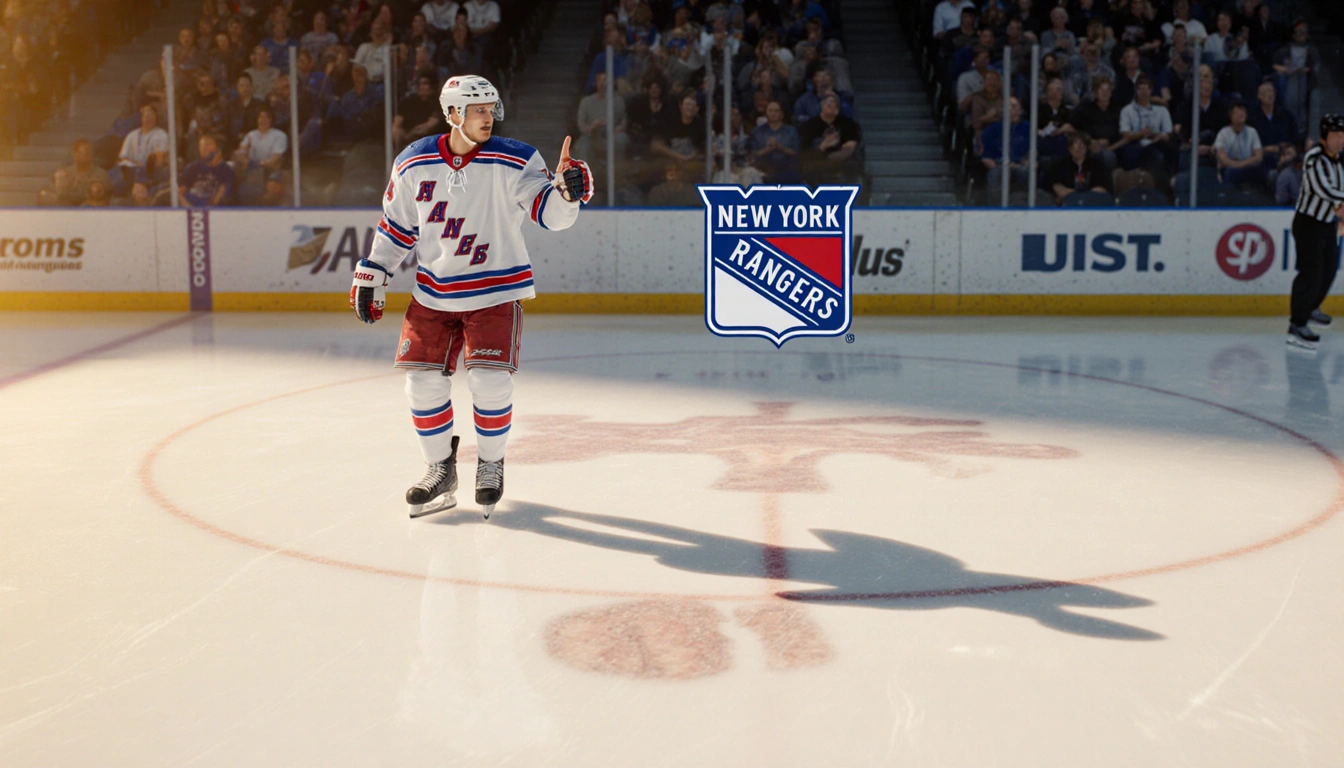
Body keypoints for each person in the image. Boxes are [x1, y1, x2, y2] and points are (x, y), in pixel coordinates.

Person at [349, 75, 592, 519]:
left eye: (490, 108)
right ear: (452, 114)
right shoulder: (413, 162)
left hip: (495, 291)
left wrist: (566, 192)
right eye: (477, 109)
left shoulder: (516, 159)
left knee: (489, 380)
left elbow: (551, 217)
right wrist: (375, 271)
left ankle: (491, 465)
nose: (488, 117)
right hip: (433, 293)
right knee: (420, 383)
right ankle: (439, 469)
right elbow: (397, 227)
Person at [1286, 114, 1344, 351]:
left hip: (1327, 224)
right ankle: (1296, 326)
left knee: (1329, 270)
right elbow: (1323, 189)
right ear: (1324, 137)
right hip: (1308, 223)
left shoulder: (1339, 161)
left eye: (1343, 135)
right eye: (1336, 136)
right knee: (1311, 274)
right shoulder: (1314, 159)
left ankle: (1310, 308)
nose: (1341, 140)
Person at [1117, 76, 1175, 175]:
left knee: (1167, 149)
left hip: (1156, 142)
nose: (1143, 92)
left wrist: (1158, 136)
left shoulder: (1161, 110)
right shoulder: (1127, 110)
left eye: (1146, 89)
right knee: (1130, 151)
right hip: (1134, 143)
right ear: (1136, 90)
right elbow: (1125, 133)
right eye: (1140, 89)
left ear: (1151, 90)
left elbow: (1168, 133)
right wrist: (1141, 134)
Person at [110, 105, 169, 196]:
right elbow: (123, 157)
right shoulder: (132, 135)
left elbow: (160, 160)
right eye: (145, 115)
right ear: (141, 118)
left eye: (151, 115)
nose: (148, 118)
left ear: (156, 118)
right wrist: (135, 163)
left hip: (150, 172)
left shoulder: (162, 135)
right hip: (131, 171)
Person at [980, 96, 1031, 199]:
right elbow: (985, 156)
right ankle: (996, 207)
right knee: (996, 174)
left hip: (1019, 165)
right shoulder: (992, 129)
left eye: (1014, 106)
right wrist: (996, 164)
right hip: (999, 165)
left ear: (1020, 110)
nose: (1012, 109)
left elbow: (1032, 151)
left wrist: (1027, 161)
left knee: (1026, 172)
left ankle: (1023, 205)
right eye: (1008, 106)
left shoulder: (1027, 128)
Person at [1044, 132, 1112, 203]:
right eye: (1074, 144)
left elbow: (1102, 190)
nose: (1078, 147)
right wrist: (1087, 192)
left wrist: (1073, 193)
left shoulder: (1099, 167)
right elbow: (1060, 191)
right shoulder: (1058, 167)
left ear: (1087, 147)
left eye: (1082, 144)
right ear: (1069, 148)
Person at [1214, 102, 1265, 188]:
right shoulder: (1223, 133)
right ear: (1231, 116)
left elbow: (1258, 157)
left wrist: (1239, 164)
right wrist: (1237, 165)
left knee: (1262, 170)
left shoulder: (1252, 132)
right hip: (1229, 169)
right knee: (1230, 172)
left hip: (1248, 168)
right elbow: (1223, 159)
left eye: (1243, 112)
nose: (1241, 114)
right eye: (1237, 112)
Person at [750, 100, 801, 183]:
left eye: (776, 111)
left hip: (787, 168)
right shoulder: (757, 132)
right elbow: (753, 154)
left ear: (782, 114)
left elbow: (796, 152)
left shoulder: (791, 131)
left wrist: (781, 148)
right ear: (766, 114)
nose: (773, 114)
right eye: (770, 111)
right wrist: (768, 149)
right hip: (764, 167)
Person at [179, 134, 234, 207]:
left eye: (207, 144)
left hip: (213, 210)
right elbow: (180, 193)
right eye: (201, 145)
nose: (204, 147)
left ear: (217, 148)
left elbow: (223, 193)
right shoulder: (192, 167)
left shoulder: (225, 169)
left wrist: (209, 208)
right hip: (191, 208)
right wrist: (190, 209)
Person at [394, 75, 447, 149]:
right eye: (420, 84)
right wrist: (398, 132)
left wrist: (410, 135)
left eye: (425, 84)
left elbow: (428, 126)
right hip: (407, 136)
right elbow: (397, 123)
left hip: (428, 138)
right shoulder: (408, 101)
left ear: (432, 86)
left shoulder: (438, 102)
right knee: (396, 132)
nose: (422, 87)